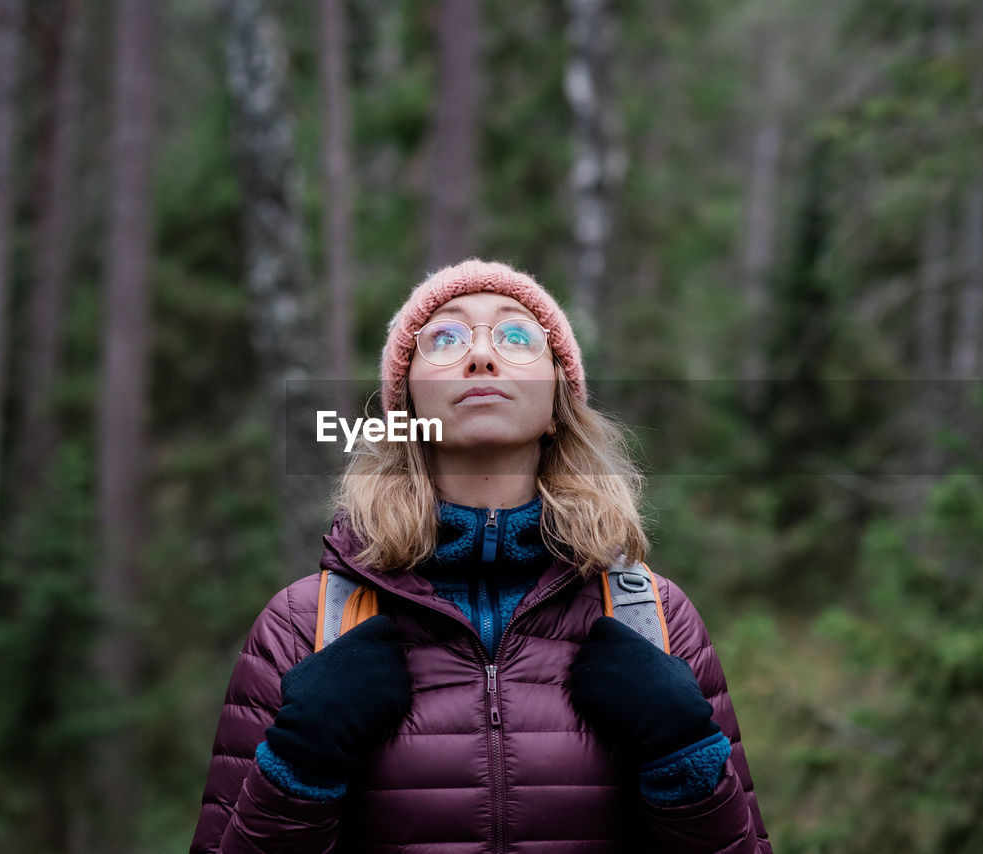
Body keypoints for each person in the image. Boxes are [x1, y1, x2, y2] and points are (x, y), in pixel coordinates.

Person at [189, 259, 771, 853]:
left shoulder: (654, 620)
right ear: (407, 410)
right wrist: (299, 765)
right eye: (445, 338)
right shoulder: (303, 626)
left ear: (555, 409)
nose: (482, 357)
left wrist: (685, 760)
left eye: (518, 336)